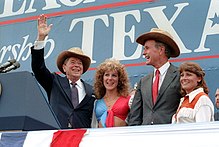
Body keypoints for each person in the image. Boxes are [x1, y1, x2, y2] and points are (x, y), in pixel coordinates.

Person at [31, 14, 95, 129]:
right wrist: (41, 38)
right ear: (64, 67)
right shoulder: (54, 82)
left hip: (83, 138)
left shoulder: (91, 91)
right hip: (57, 135)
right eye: (73, 62)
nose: (76, 65)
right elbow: (38, 68)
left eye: (80, 63)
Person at [128, 28, 182, 125]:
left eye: (147, 48)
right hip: (146, 137)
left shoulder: (179, 76)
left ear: (161, 50)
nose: (144, 53)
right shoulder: (143, 82)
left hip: (171, 136)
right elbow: (135, 117)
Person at [91, 58, 131, 128]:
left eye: (114, 75)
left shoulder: (128, 100)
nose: (110, 78)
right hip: (101, 137)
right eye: (107, 75)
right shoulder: (96, 102)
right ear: (101, 78)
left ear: (120, 79)